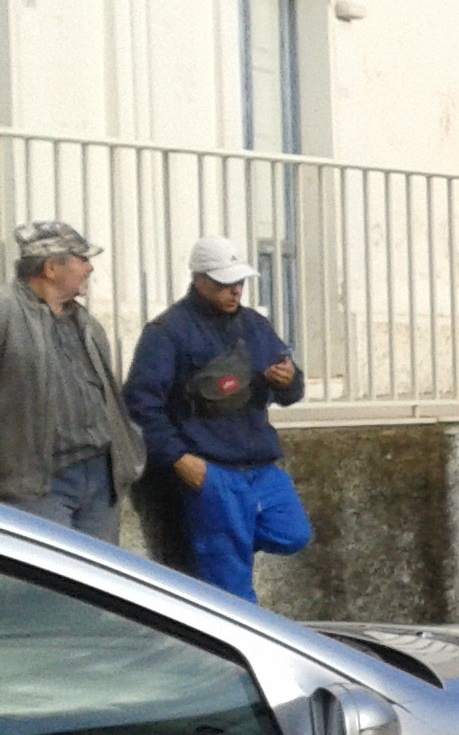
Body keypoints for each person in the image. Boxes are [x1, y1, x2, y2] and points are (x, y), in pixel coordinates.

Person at [124, 236, 311, 602]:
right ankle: (243, 644)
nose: (234, 290)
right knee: (232, 586)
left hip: (260, 464)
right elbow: (141, 404)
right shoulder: (168, 332)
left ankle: (213, 541)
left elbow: (291, 388)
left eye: (238, 282)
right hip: (211, 469)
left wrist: (290, 382)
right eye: (224, 283)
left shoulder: (255, 324)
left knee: (294, 533)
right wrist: (179, 459)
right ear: (198, 279)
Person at [0, 221, 145, 542]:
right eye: (81, 258)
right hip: (37, 484)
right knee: (47, 587)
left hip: (100, 479)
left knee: (98, 585)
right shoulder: (6, 313)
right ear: (51, 267)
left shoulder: (88, 325)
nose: (90, 268)